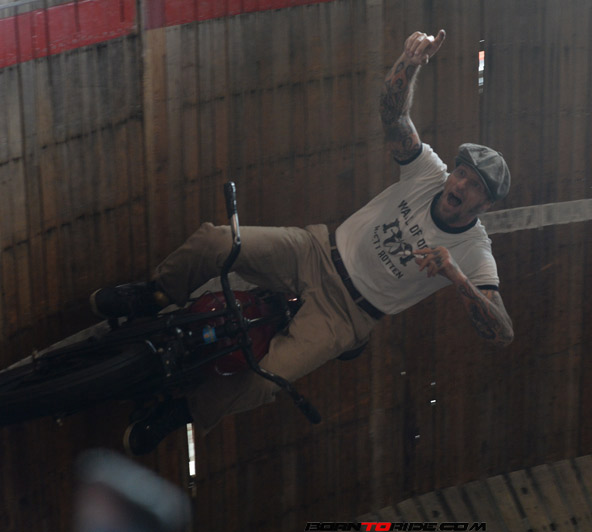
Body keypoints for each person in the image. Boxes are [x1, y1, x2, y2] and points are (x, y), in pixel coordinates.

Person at [91, 29, 514, 455]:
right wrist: (408, 62)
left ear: (485, 205)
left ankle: (178, 413)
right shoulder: (429, 173)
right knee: (217, 240)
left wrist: (455, 275)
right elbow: (394, 118)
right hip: (314, 252)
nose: (460, 185)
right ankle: (154, 293)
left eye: (475, 186)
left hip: (346, 315)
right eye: (462, 173)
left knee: (263, 381)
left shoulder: (474, 249)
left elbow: (501, 333)